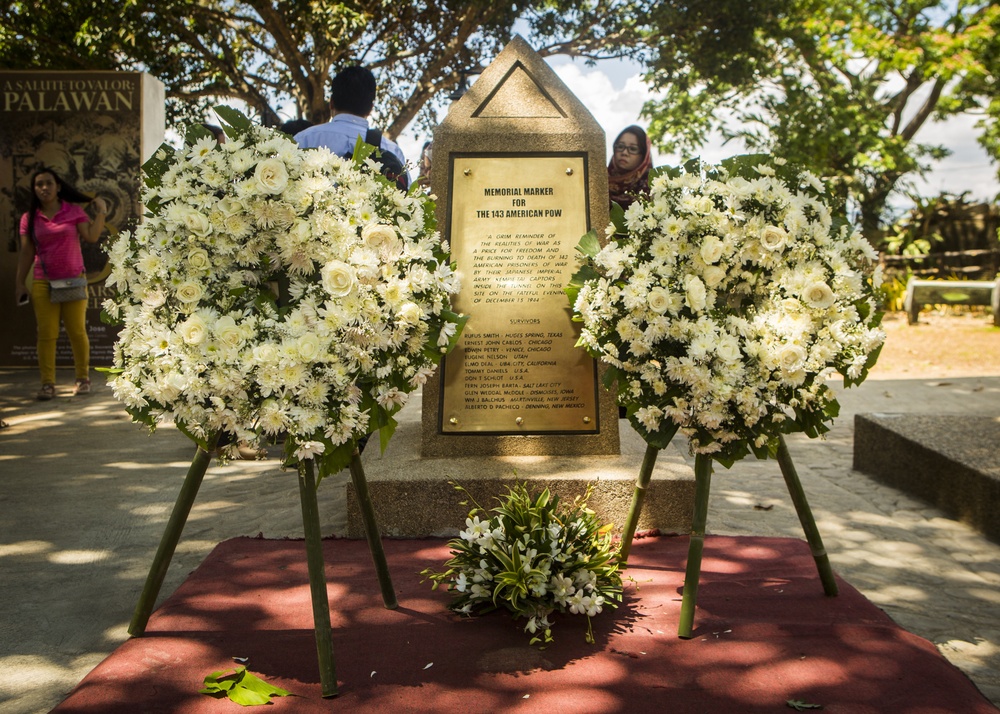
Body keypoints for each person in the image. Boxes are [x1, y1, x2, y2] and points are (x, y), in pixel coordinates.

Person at [14, 167, 107, 400]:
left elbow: (92, 237)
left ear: (57, 187)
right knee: (47, 334)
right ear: (34, 190)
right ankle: (47, 384)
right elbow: (27, 252)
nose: (44, 188)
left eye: (48, 183)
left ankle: (82, 379)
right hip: (43, 281)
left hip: (74, 279)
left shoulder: (73, 211)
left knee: (77, 331)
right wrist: (19, 282)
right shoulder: (29, 218)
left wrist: (102, 213)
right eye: (39, 185)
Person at [294, 66, 409, 186]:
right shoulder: (392, 150)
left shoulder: (304, 140)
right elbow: (409, 199)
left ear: (331, 103)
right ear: (370, 108)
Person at [608, 125, 653, 212]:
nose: (624, 153)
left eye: (633, 149)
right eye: (620, 146)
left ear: (643, 156)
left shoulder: (651, 191)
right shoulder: (598, 181)